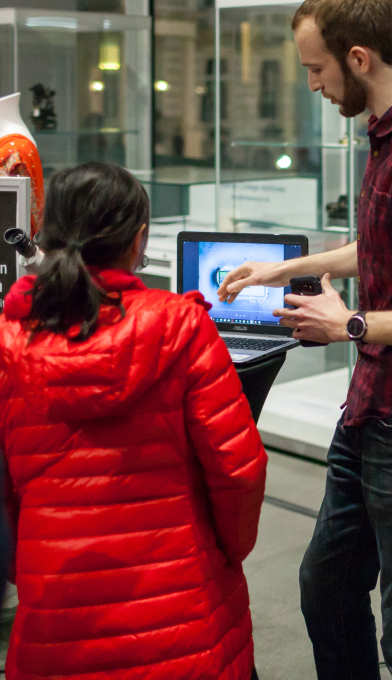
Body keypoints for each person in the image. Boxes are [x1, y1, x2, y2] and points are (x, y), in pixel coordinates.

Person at [216, 1, 392, 678]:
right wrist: (287, 267)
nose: (313, 86)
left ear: (357, 59)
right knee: (328, 584)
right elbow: (382, 245)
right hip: (379, 403)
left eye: (316, 70)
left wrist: (345, 325)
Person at [0, 162, 267, 679]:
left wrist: (30, 567)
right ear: (138, 238)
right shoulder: (182, 326)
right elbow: (239, 469)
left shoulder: (11, 342)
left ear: (49, 233)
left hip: (57, 614)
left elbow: (4, 492)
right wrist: (224, 554)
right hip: (183, 615)